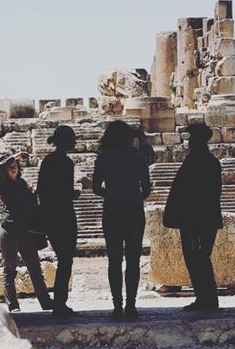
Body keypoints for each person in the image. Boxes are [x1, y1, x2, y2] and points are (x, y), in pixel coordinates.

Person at [93, 120, 151, 319]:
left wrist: (112, 194)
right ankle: (131, 305)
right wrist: (133, 196)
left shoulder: (103, 158)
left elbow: (95, 188)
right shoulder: (137, 156)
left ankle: (117, 306)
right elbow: (147, 189)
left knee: (114, 260)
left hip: (112, 211)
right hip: (134, 211)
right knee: (133, 260)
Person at [163, 124, 222, 311]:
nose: (188, 142)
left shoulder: (197, 161)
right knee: (200, 258)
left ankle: (207, 299)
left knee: (197, 259)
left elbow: (192, 193)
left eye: (191, 138)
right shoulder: (210, 161)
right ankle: (206, 298)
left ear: (196, 140)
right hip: (206, 218)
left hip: (195, 219)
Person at [0, 152, 54, 313]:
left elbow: (32, 205)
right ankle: (13, 305)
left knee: (35, 267)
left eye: (15, 166)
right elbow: (0, 166)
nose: (12, 169)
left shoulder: (22, 183)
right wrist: (16, 156)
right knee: (9, 269)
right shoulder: (3, 184)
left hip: (25, 231)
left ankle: (46, 302)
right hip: (9, 231)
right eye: (10, 167)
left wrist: (33, 191)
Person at [37, 125, 80, 318]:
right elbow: (65, 192)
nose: (75, 142)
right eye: (72, 138)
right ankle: (60, 304)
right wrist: (74, 194)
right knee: (66, 260)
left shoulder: (47, 161)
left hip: (49, 216)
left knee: (64, 259)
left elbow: (43, 191)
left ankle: (59, 303)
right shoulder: (66, 163)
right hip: (64, 216)